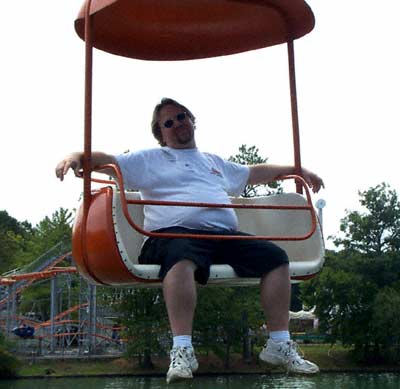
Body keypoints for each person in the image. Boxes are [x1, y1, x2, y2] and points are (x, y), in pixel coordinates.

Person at [56, 98, 324, 383]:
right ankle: (182, 348)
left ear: (192, 120)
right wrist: (75, 156)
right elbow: (108, 161)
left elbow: (254, 173)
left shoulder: (213, 162)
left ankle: (278, 344)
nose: (177, 124)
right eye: (168, 123)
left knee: (276, 258)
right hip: (170, 235)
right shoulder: (151, 159)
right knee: (182, 256)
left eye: (181, 117)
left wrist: (299, 170)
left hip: (221, 237)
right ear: (161, 133)